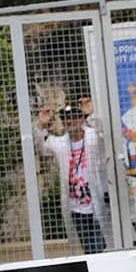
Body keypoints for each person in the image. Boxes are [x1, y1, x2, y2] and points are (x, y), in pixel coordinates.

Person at [34, 98, 110, 255]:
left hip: (96, 204)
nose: (70, 122)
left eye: (74, 117)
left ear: (81, 120)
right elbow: (40, 147)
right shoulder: (60, 143)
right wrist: (41, 124)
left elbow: (105, 135)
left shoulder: (93, 138)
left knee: (101, 248)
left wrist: (92, 114)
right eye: (66, 119)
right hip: (76, 208)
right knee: (88, 250)